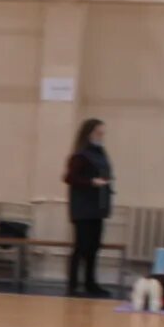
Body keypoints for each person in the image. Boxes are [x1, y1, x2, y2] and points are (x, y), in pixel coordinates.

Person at [64, 118, 115, 298]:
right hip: (83, 209)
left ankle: (90, 283)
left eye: (102, 133)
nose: (101, 136)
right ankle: (72, 284)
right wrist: (91, 182)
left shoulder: (100, 153)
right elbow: (70, 178)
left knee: (94, 247)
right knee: (82, 246)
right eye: (98, 133)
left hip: (97, 208)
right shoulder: (80, 155)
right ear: (89, 134)